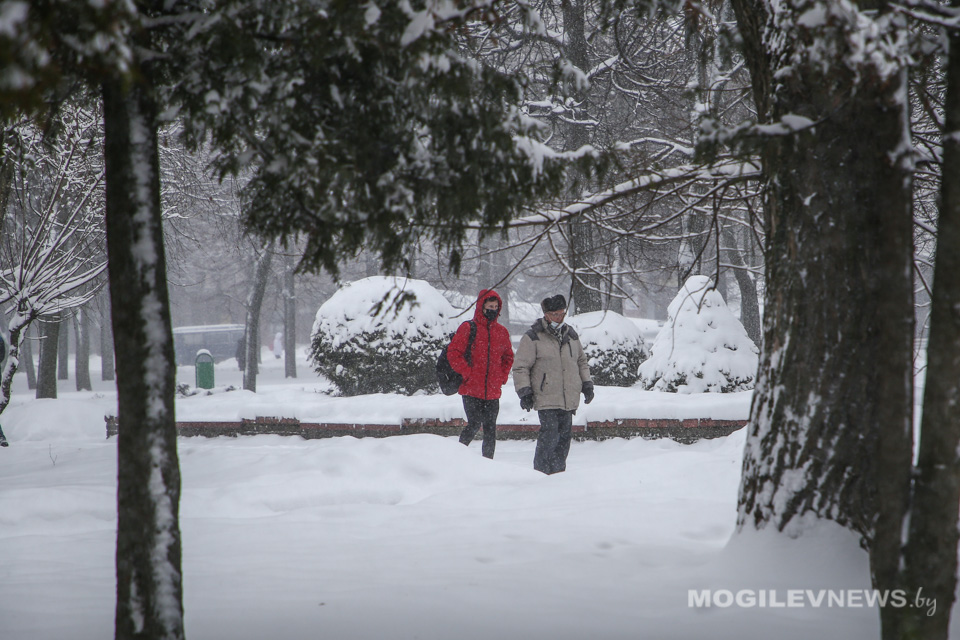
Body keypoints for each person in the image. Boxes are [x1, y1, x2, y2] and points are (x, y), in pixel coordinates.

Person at [512, 294, 593, 474]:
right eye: (555, 314)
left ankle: (558, 475)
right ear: (546, 315)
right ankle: (541, 473)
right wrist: (524, 392)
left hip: (568, 396)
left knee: (564, 439)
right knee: (549, 435)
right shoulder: (534, 336)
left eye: (562, 314)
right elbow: (521, 367)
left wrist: (587, 383)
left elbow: (581, 361)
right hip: (546, 396)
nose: (559, 318)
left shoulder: (571, 335)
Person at [447, 289, 514, 459]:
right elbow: (453, 353)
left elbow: (508, 356)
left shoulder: (502, 332)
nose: (493, 309)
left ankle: (488, 463)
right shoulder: (468, 328)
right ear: (481, 307)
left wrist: (502, 377)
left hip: (492, 390)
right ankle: (457, 457)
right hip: (471, 389)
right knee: (474, 424)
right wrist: (467, 373)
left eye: (495, 307)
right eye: (489, 306)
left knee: (490, 429)